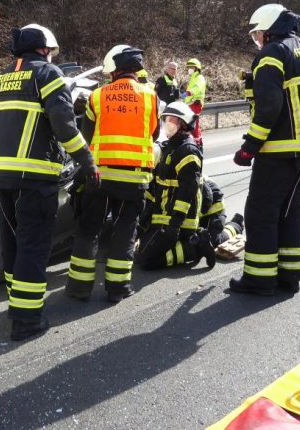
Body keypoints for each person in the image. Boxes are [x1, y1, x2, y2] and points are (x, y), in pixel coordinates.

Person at [0, 23, 98, 341]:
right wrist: (87, 161)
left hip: (1, 176)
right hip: (33, 178)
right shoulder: (49, 75)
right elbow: (64, 126)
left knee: (12, 243)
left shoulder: (3, 77)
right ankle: (27, 321)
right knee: (33, 247)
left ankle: (16, 304)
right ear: (45, 48)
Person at [230, 4, 300, 296]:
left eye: (257, 33)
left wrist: (249, 147)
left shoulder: (273, 53)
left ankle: (259, 278)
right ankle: (288, 275)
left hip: (278, 150)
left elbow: (269, 106)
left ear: (268, 28)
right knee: (289, 212)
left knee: (260, 213)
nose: (256, 39)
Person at [65, 44, 159, 302]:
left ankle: (79, 288)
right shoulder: (151, 96)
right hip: (135, 177)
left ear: (115, 69)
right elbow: (155, 133)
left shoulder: (97, 96)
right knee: (125, 231)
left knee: (89, 228)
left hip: (100, 175)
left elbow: (85, 136)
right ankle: (117, 289)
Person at [135, 101, 215, 270]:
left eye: (172, 120)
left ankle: (196, 245)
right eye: (166, 119)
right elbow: (154, 187)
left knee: (145, 260)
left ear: (183, 124)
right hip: (162, 218)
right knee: (136, 252)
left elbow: (187, 192)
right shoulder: (168, 147)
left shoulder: (188, 150)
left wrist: (175, 225)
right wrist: (143, 219)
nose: (167, 124)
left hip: (179, 222)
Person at [182, 58, 207, 146]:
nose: (189, 69)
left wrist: (188, 93)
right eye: (188, 67)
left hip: (195, 103)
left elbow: (197, 89)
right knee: (191, 123)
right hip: (191, 104)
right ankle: (194, 140)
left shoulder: (199, 78)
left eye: (191, 67)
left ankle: (197, 142)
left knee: (194, 123)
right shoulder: (194, 78)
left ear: (196, 68)